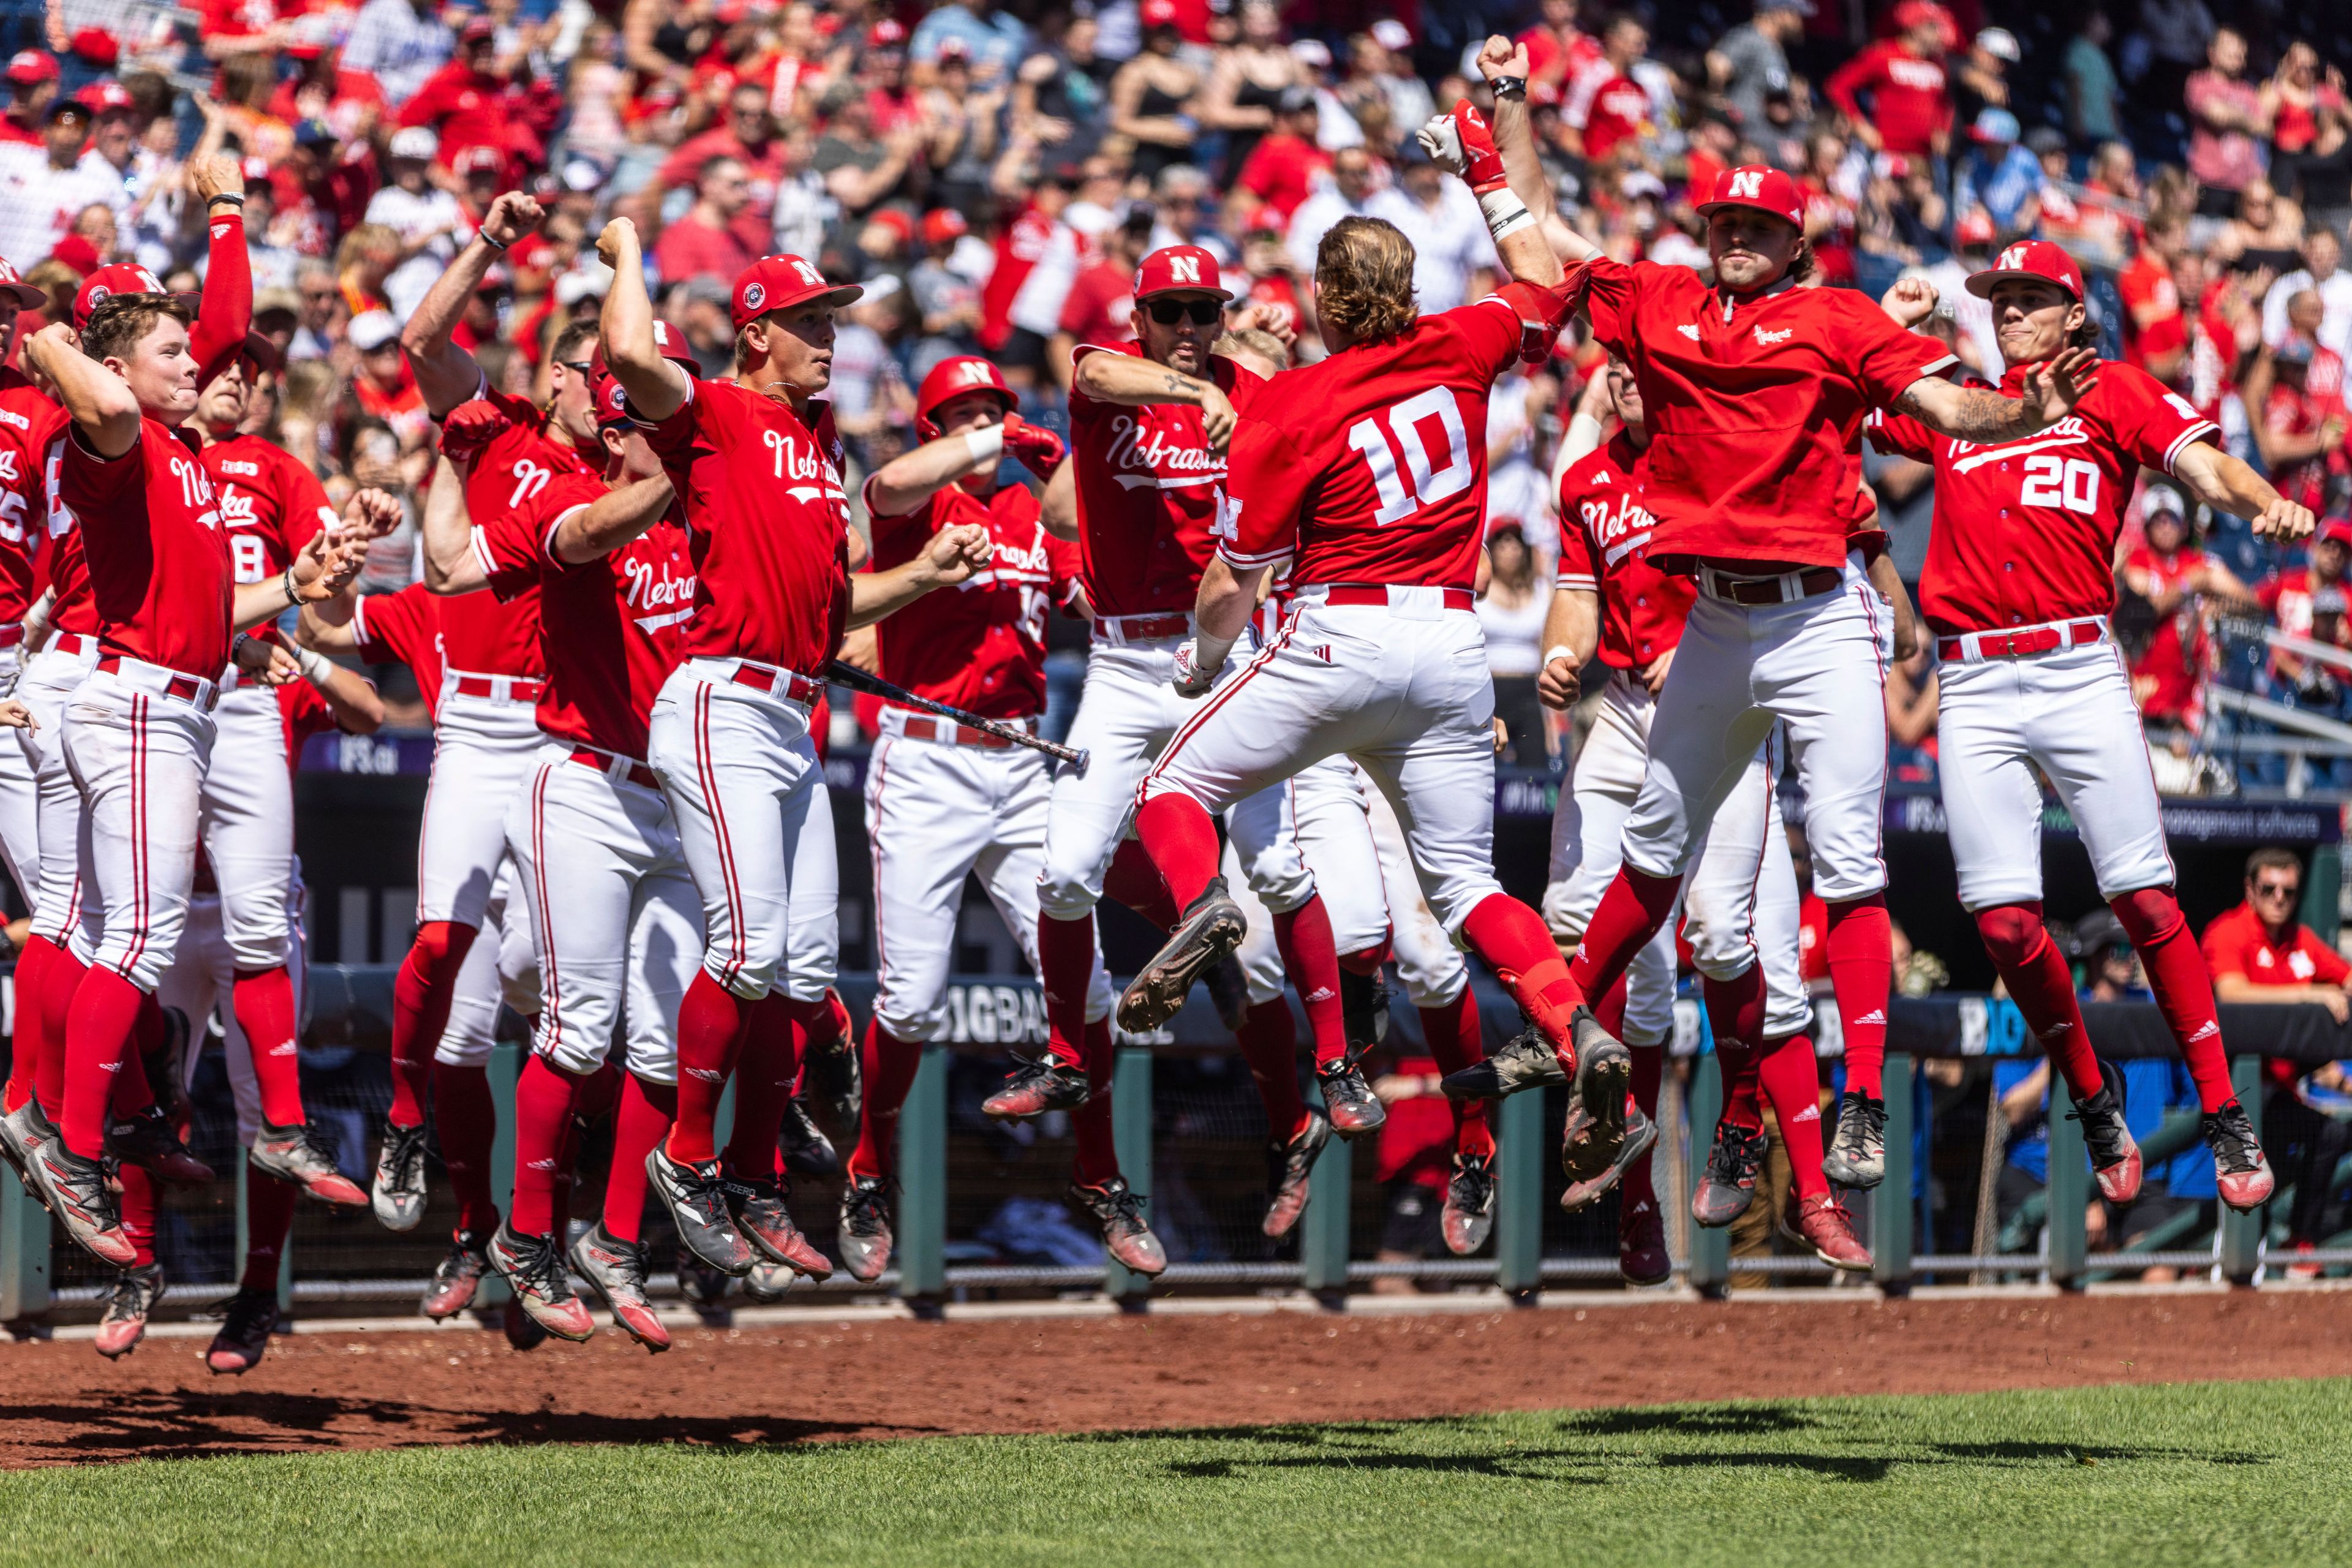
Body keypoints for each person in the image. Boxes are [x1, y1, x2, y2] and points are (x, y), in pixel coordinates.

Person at [1483, 41, 2095, 1195]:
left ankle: (1859, 1096)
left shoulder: (1840, 317)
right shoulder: (1663, 299)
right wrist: (1510, 109)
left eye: (1757, 227)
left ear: (1796, 243)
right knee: (1655, 853)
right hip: (1713, 624)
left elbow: (1943, 402)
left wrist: (2022, 408)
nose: (1734, 237)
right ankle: (1563, 1025)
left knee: (1853, 863)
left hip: (1821, 623)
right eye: (1723, 221)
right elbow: (1541, 236)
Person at [1115, 85, 1651, 1201]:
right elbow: (1549, 284)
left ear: (1320, 298)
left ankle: (1206, 905)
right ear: (1408, 290)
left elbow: (1232, 582)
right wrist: (1488, 170)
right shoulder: (1461, 344)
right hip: (1453, 649)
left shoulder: (1293, 402)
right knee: (1463, 888)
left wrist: (1202, 666)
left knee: (1172, 789)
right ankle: (1573, 1029)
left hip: (1338, 634)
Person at [1875, 239, 2312, 1215]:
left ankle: (2221, 1109)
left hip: (2076, 665)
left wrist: (2270, 501)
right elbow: (1847, 401)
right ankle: (2090, 1095)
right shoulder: (1961, 400)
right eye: (2000, 298)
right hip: (1975, 679)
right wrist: (1895, 324)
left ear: (2075, 312)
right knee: (2001, 924)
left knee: (2150, 905)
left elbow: (2209, 471)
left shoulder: (2111, 390)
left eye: (2031, 297)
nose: (2009, 311)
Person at [595, 227, 992, 1281]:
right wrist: (628, 252)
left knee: (804, 968)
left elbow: (828, 618)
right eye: (813, 322)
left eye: (835, 320)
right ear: (757, 332)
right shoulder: (720, 413)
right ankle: (687, 1160)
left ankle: (756, 1176)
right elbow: (635, 359)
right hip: (720, 699)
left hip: (792, 708)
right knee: (746, 951)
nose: (832, 339)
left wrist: (928, 578)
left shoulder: (822, 445)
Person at [22, 261, 364, 1267]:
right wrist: (60, 344)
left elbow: (212, 616)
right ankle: (70, 1139)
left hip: (166, 696)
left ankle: (72, 1131)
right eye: (171, 351)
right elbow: (92, 394)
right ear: (120, 368)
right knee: (133, 937)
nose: (196, 360)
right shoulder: (123, 436)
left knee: (112, 931)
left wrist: (298, 584)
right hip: (135, 702)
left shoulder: (184, 454)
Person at [420, 347, 747, 1350]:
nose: (686, 433)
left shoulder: (712, 519)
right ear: (616, 433)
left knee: (662, 1040)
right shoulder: (575, 495)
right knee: (575, 1027)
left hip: (679, 795)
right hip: (584, 785)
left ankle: (612, 1238)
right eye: (659, 420)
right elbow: (481, 560)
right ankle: (523, 1238)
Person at [1513, 358, 1861, 1276]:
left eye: (1644, 365)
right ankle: (1626, 1168)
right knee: (1576, 930)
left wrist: (1708, 648)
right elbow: (1579, 601)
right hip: (1626, 714)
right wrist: (1559, 654)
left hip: (1726, 710)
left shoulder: (1715, 454)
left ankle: (1773, 1157)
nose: (1629, 379)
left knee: (1724, 941)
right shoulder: (1588, 478)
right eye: (1614, 368)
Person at [842, 356, 1144, 1277]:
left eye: (995, 409)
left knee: (1092, 994)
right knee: (911, 1003)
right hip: (925, 757)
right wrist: (990, 441)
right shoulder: (919, 505)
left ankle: (1102, 1176)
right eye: (964, 413)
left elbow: (1090, 593)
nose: (986, 424)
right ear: (937, 426)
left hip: (1019, 760)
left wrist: (1066, 478)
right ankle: (868, 1170)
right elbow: (883, 486)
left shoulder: (1025, 513)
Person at [366, 191, 597, 1283]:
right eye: (595, 372)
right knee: (440, 955)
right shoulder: (496, 428)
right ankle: (438, 1170)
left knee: (557, 995)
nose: (611, 394)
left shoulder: (633, 480)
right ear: (556, 374)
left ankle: (543, 1227)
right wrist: (493, 243)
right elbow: (420, 340)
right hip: (478, 729)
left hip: (566, 747)